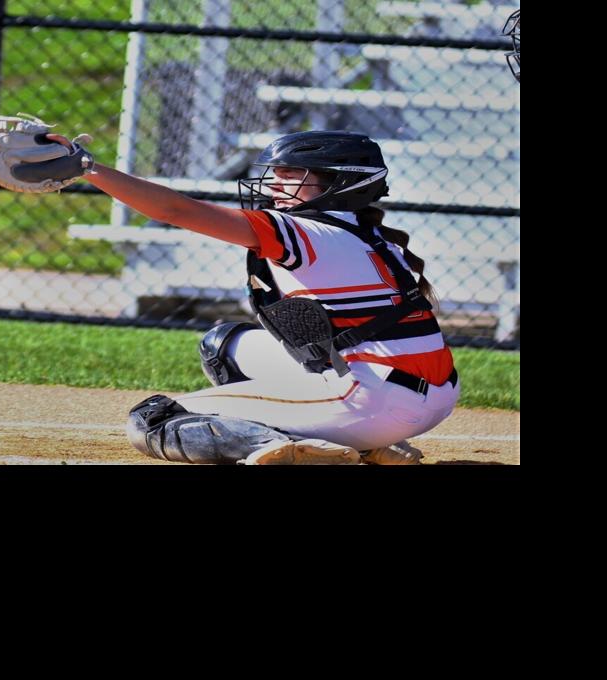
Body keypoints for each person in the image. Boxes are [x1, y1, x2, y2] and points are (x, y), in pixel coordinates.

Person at [44, 129, 459, 465]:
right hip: (429, 393)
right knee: (223, 346)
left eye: (294, 173)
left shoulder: (303, 230)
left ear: (340, 182)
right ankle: (368, 444)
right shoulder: (369, 233)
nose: (276, 183)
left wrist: (88, 167)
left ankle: (293, 447)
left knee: (154, 421)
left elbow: (176, 210)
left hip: (376, 400)